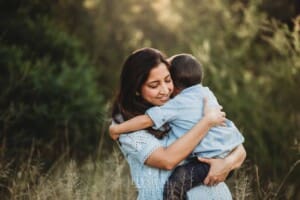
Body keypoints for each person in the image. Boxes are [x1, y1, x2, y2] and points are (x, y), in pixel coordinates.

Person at [110, 47, 246, 200]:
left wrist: (226, 163)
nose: (165, 90)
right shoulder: (128, 127)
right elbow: (167, 160)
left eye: (168, 80)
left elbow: (239, 148)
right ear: (136, 89)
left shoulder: (182, 104)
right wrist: (206, 122)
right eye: (154, 85)